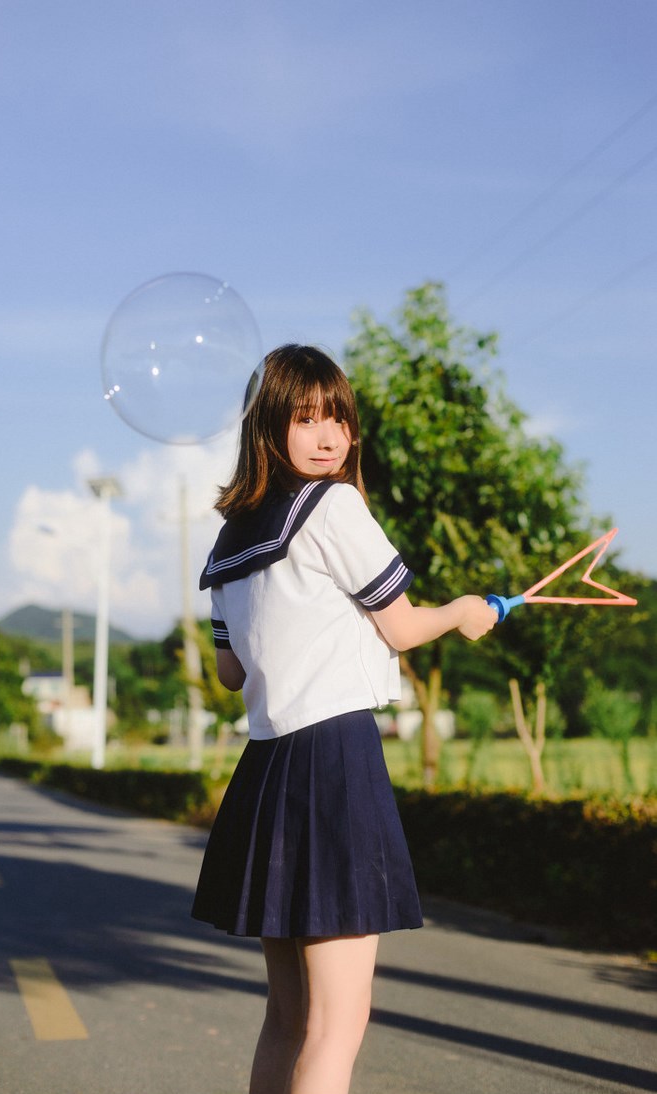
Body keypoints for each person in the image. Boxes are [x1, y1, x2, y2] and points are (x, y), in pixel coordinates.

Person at [192, 344, 497, 1094]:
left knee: (288, 1018)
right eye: (306, 418)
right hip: (333, 762)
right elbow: (399, 627)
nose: (329, 437)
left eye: (339, 419)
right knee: (337, 1024)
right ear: (270, 426)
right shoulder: (334, 505)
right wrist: (464, 611)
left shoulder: (230, 542)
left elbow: (232, 674)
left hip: (265, 773)